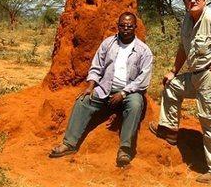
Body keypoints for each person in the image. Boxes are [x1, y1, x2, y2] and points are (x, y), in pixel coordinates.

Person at [149, 0, 211, 184]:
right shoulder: (187, 19)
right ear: (185, 2)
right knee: (172, 87)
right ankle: (170, 130)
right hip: (194, 75)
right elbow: (183, 48)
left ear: (204, 0)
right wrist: (174, 71)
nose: (192, 1)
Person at [49, 11, 153, 167]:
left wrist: (123, 93)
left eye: (129, 26)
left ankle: (125, 149)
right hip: (105, 87)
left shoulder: (144, 50)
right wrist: (90, 86)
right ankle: (69, 144)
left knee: (136, 105)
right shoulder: (108, 44)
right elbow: (96, 66)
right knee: (83, 100)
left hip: (130, 91)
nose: (126, 29)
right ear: (117, 26)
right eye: (122, 25)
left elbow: (143, 79)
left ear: (135, 27)